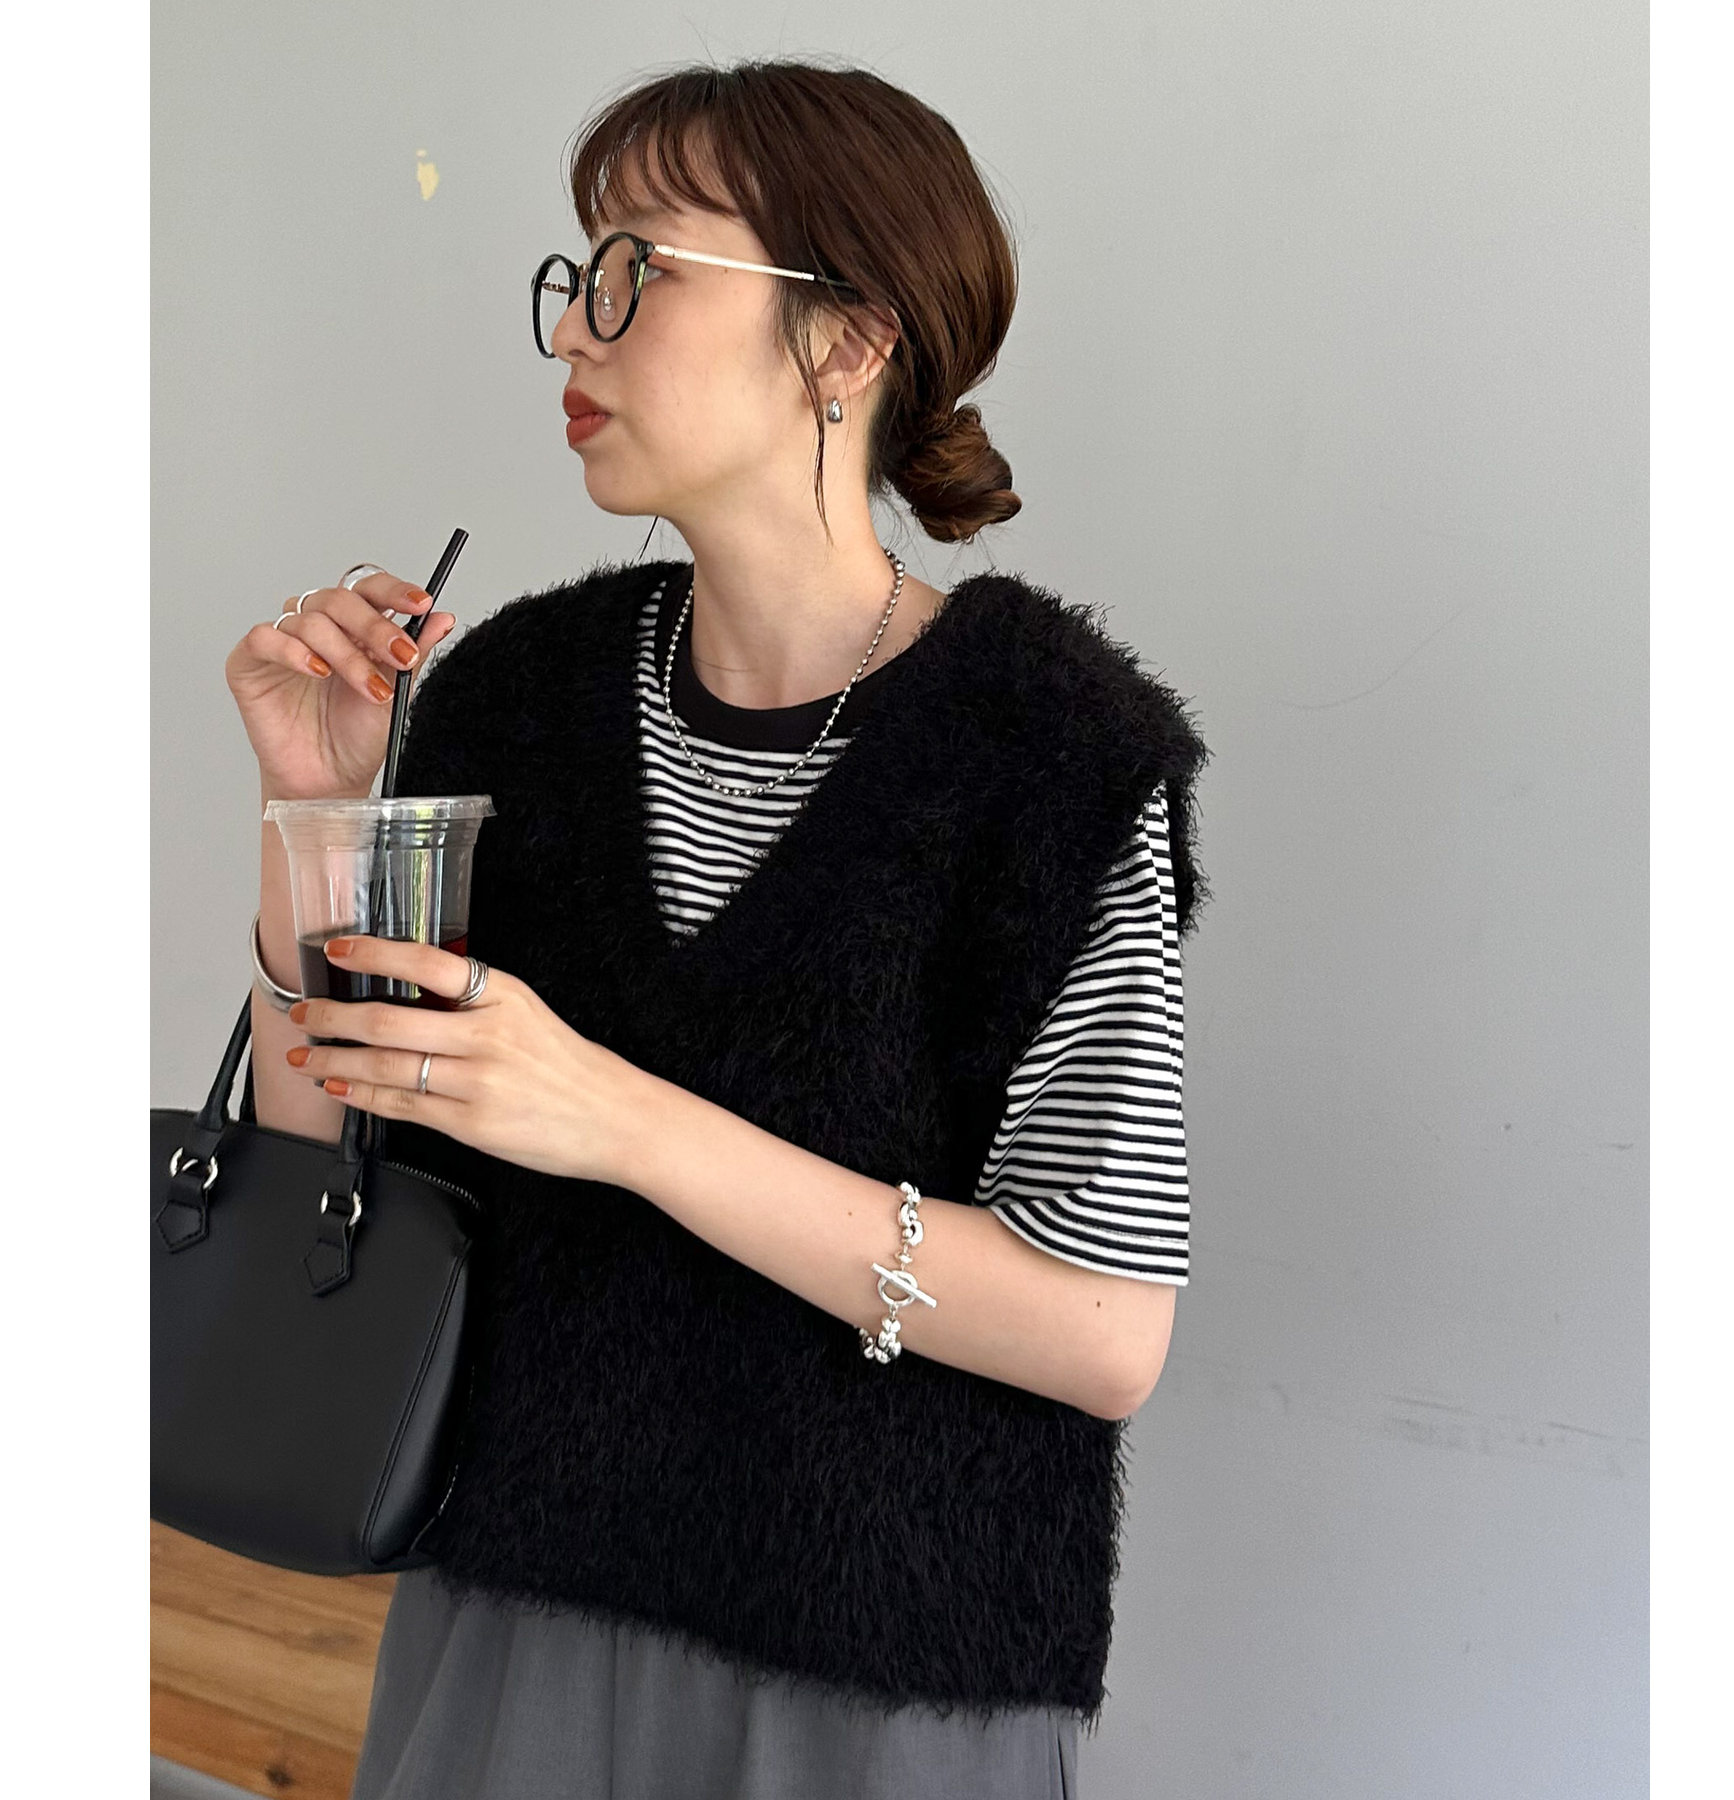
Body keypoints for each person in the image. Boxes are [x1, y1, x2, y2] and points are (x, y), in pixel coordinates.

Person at [223, 57, 1209, 1800]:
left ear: (848, 341)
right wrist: (318, 815)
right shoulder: (517, 696)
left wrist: (615, 1119)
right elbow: (333, 1167)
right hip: (512, 1621)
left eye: (641, 269)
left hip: (887, 1685)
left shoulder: (1055, 751)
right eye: (577, 270)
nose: (574, 329)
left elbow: (1101, 1329)